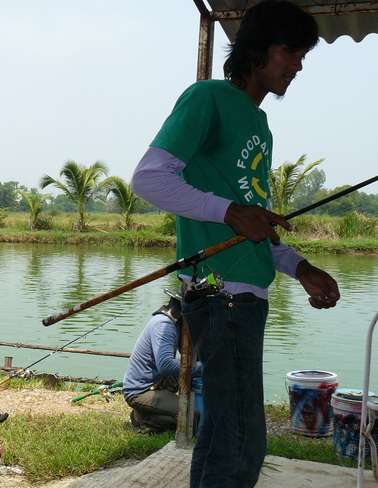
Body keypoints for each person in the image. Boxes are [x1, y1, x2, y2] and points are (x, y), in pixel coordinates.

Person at [131, 2, 340, 487]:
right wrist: (227, 211)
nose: (298, 65)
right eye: (291, 51)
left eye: (303, 54)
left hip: (245, 295)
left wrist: (299, 266)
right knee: (245, 441)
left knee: (224, 431)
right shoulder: (207, 98)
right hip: (221, 296)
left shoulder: (259, 124)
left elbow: (252, 222)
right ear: (258, 50)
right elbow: (149, 178)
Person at [123, 290, 201, 434]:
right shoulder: (163, 325)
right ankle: (144, 420)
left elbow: (189, 355)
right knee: (192, 416)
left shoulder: (177, 324)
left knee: (194, 417)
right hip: (141, 391)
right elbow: (165, 365)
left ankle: (152, 413)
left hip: (157, 387)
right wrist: (204, 368)